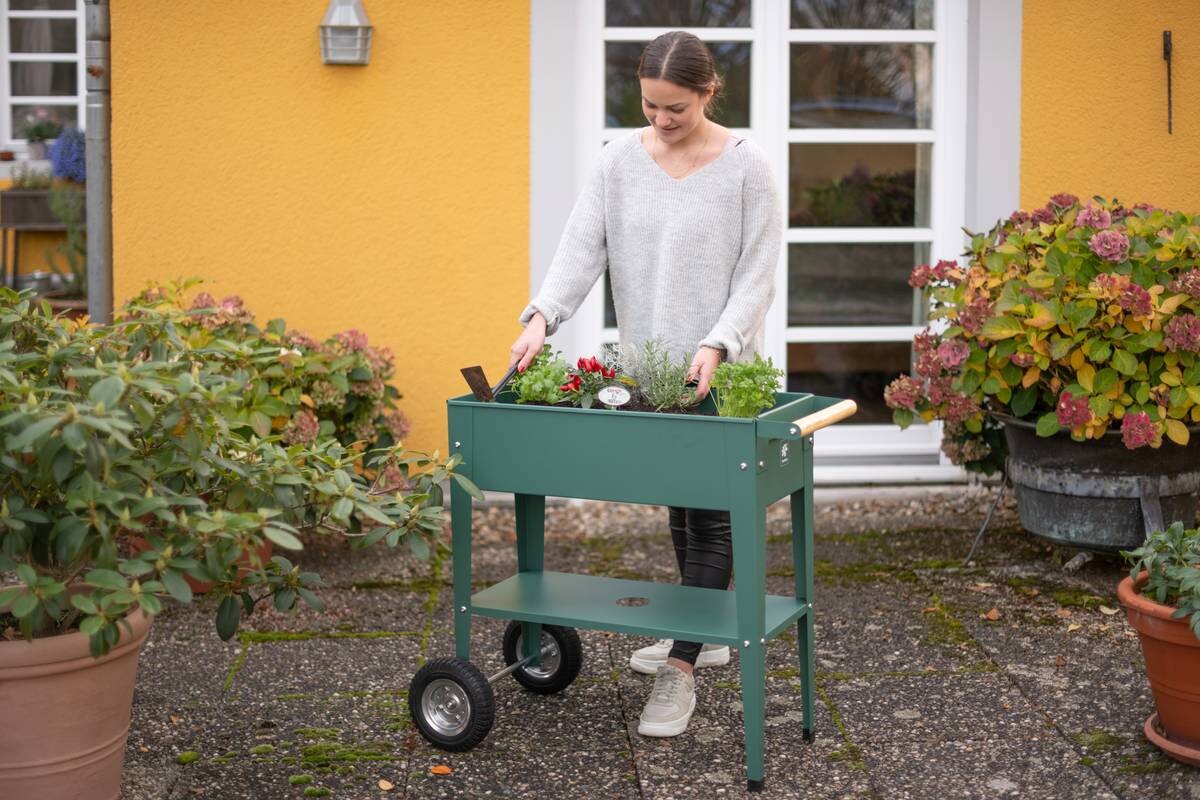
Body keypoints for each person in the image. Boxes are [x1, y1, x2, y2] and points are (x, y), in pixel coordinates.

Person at [508, 31, 781, 738]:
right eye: (652, 105)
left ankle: (682, 667)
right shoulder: (618, 164)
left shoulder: (748, 168)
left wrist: (718, 344)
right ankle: (706, 631)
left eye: (677, 109)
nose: (662, 119)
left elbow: (756, 277)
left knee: (714, 511)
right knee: (679, 503)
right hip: (649, 371)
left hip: (721, 368)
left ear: (709, 93)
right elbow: (578, 251)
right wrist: (542, 316)